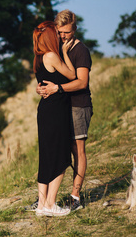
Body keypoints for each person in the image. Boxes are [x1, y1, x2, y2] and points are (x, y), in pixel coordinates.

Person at [31, 9, 93, 212]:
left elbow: (81, 82)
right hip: (60, 106)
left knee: (77, 150)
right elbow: (49, 75)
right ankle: (47, 201)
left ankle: (75, 195)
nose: (63, 36)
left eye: (67, 32)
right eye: (60, 32)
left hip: (78, 104)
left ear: (74, 29)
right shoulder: (54, 48)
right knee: (59, 152)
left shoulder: (80, 50)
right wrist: (41, 88)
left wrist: (56, 88)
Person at [32, 21, 76, 217]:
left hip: (45, 111)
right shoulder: (52, 56)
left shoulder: (38, 58)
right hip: (56, 111)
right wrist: (65, 53)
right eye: (56, 34)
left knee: (46, 157)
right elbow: (72, 74)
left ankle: (42, 204)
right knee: (60, 156)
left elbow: (41, 84)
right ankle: (50, 204)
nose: (59, 37)